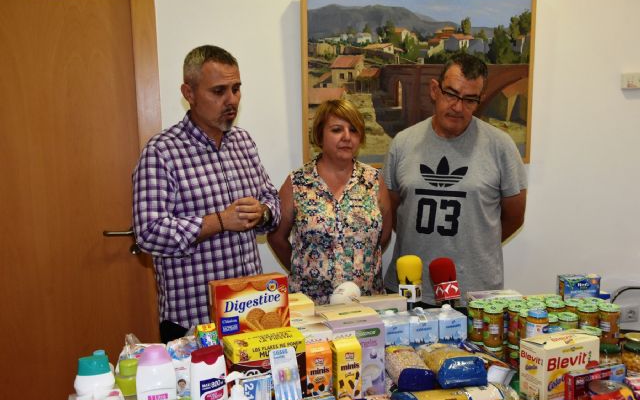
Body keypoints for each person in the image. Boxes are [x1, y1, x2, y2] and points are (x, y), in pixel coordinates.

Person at [133, 45, 280, 343]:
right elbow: (148, 232)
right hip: (193, 321)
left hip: (250, 312)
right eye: (219, 91)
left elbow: (272, 200)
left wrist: (262, 212)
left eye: (236, 89)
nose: (231, 100)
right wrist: (221, 221)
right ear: (189, 93)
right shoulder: (161, 152)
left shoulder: (243, 142)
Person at [383, 53, 527, 305]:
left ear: (479, 100)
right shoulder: (403, 143)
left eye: (470, 99)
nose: (458, 107)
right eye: (451, 94)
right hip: (410, 289)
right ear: (435, 90)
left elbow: (514, 216)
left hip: (476, 295)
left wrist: (475, 244)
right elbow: (393, 210)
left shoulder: (500, 146)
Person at [268, 99, 392, 304]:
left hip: (366, 303)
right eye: (337, 130)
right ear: (320, 135)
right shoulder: (298, 182)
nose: (346, 137)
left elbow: (383, 236)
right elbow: (276, 237)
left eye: (353, 130)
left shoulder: (373, 180)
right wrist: (304, 271)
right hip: (311, 304)